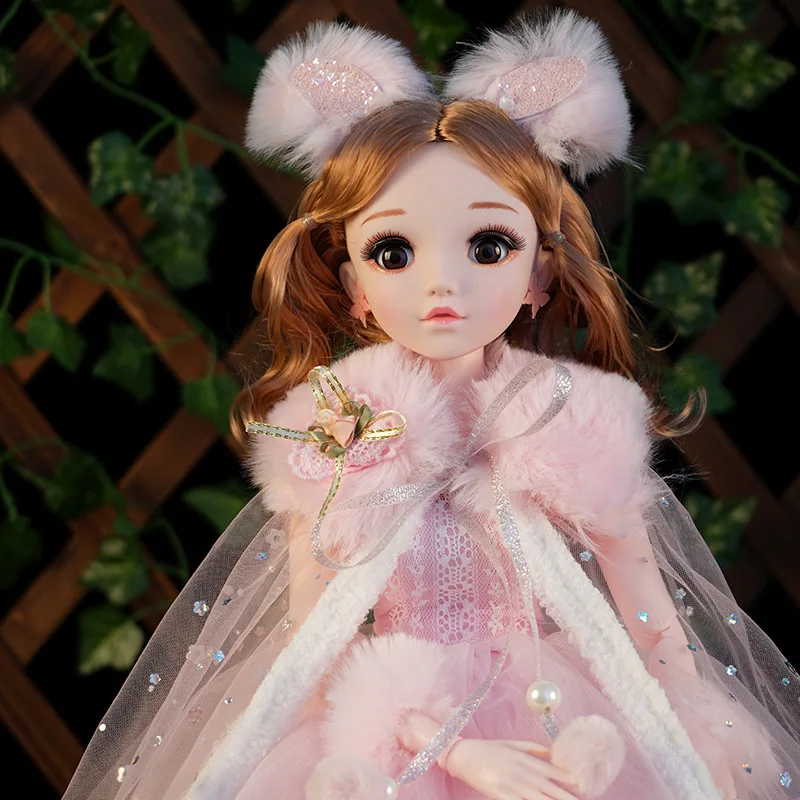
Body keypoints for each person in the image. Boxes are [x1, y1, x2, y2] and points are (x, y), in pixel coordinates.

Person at [63, 11, 800, 800]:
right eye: (394, 252)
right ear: (354, 287)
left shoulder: (569, 420)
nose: (442, 283)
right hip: (390, 731)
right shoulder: (339, 429)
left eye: (489, 246)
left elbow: (653, 630)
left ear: (540, 276)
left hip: (549, 715)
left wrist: (691, 739)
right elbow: (314, 651)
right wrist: (449, 749)